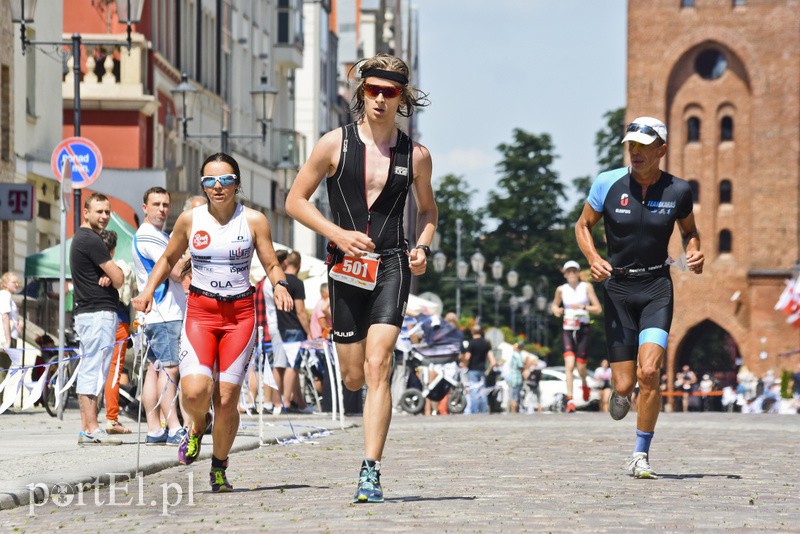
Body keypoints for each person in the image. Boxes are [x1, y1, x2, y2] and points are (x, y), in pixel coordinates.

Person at [285, 53, 435, 503]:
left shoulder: (417, 155)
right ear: (361, 93)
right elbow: (295, 200)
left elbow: (427, 210)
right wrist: (337, 234)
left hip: (391, 262)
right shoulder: (334, 144)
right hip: (345, 266)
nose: (380, 99)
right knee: (352, 376)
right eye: (373, 90)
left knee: (378, 366)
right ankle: (365, 439)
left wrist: (423, 246)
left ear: (402, 98)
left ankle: (370, 470)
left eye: (390, 92)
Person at [133, 152, 292, 493]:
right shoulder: (190, 220)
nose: (218, 188)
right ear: (202, 185)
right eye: (210, 181)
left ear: (237, 183)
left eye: (225, 181)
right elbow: (167, 258)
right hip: (201, 313)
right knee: (194, 391)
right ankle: (196, 427)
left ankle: (219, 467)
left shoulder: (254, 220)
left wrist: (279, 285)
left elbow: (270, 262)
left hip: (239, 316)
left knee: (227, 397)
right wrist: (147, 292)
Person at [575, 116, 704, 479]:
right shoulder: (607, 183)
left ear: (661, 150)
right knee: (623, 384)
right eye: (631, 145)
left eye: (644, 147)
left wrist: (694, 251)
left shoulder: (678, 191)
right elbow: (582, 225)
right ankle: (622, 392)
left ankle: (640, 453)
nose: (635, 152)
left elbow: (690, 232)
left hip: (656, 289)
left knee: (650, 372)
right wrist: (593, 259)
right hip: (617, 289)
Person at [132, 187, 188, 446]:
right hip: (165, 312)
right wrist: (192, 255)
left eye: (166, 204)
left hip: (159, 313)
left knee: (154, 370)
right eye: (156, 204)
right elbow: (176, 271)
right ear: (145, 207)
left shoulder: (156, 235)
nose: (162, 209)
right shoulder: (150, 236)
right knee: (170, 369)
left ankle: (155, 429)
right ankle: (174, 426)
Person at [70, 193, 125, 445]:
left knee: (92, 367)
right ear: (86, 212)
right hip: (97, 312)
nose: (104, 216)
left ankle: (87, 428)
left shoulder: (82, 239)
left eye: (107, 212)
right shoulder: (91, 239)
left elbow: (112, 275)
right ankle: (92, 428)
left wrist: (109, 273)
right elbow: (119, 278)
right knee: (94, 369)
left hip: (90, 312)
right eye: (99, 211)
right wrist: (112, 272)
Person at [550, 260, 602, 413]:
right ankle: (570, 400)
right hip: (568, 328)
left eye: (574, 271)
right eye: (569, 272)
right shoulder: (561, 289)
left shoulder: (586, 287)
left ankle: (584, 382)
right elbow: (554, 305)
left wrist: (584, 307)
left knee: (580, 366)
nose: (572, 274)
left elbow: (598, 309)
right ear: (565, 274)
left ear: (578, 273)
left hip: (583, 328)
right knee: (569, 364)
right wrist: (556, 310)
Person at [98, 229, 135, 435]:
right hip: (118, 324)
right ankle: (112, 418)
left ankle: (93, 419)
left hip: (98, 323)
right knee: (114, 372)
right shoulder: (120, 266)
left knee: (97, 371)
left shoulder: (90, 269)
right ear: (112, 250)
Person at [275, 251, 314, 413]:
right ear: (299, 265)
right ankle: (286, 402)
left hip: (280, 327)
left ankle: (299, 402)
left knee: (283, 365)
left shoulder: (279, 281)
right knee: (293, 365)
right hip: (294, 328)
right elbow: (301, 312)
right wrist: (309, 332)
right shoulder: (297, 283)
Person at [462, 324, 496, 415]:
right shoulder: (486, 343)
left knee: (474, 391)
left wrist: (463, 364)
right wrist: (488, 370)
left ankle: (474, 412)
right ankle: (484, 411)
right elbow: (493, 361)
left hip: (473, 370)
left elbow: (467, 357)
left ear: (472, 332)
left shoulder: (471, 343)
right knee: (482, 391)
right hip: (482, 370)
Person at [0, 272, 22, 350]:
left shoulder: (7, 295)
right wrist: (8, 341)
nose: (17, 284)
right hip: (6, 338)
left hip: (10, 335)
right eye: (13, 282)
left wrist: (18, 322)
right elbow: (5, 317)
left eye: (17, 282)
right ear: (5, 283)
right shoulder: (5, 295)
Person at [506, 342, 526, 413]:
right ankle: (514, 412)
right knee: (515, 397)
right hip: (516, 378)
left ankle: (513, 412)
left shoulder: (515, 355)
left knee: (513, 397)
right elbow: (521, 366)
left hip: (513, 378)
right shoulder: (518, 355)